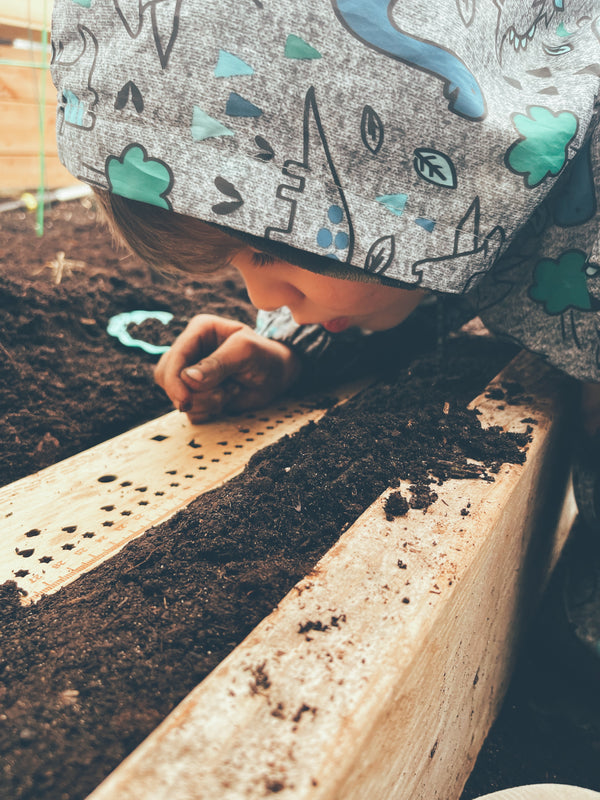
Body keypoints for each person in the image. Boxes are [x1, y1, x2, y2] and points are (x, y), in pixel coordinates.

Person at [51, 1, 600, 662]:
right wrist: (294, 348)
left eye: (265, 250)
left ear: (400, 152)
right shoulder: (496, 197)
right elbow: (428, 275)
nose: (261, 298)